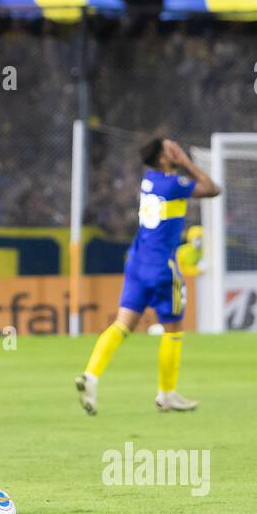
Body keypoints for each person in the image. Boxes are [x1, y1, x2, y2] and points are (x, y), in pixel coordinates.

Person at [76, 137, 220, 415]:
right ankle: (167, 394)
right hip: (161, 267)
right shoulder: (173, 184)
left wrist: (173, 160)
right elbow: (213, 189)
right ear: (165, 159)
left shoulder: (150, 180)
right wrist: (187, 163)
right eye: (171, 149)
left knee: (122, 324)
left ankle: (91, 376)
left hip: (136, 262)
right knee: (173, 329)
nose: (176, 149)